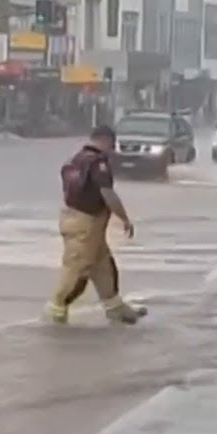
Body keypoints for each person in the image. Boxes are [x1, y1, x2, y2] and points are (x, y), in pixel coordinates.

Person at [46, 125, 146, 325]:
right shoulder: (97, 163)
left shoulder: (75, 159)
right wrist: (124, 219)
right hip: (86, 224)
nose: (113, 150)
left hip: (79, 221)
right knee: (77, 271)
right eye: (112, 145)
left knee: (103, 266)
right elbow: (108, 194)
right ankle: (56, 311)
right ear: (106, 140)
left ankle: (115, 308)